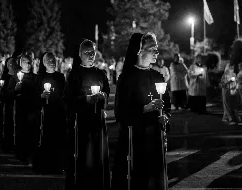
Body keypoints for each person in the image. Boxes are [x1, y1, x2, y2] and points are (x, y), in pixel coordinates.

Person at [111, 32, 170, 190]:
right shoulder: (126, 78)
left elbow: (167, 105)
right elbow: (120, 112)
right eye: (152, 49)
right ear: (139, 50)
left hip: (154, 139)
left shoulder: (158, 76)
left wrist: (165, 117)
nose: (156, 53)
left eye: (157, 49)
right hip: (134, 139)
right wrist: (145, 108)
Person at [63, 39, 111, 189]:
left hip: (98, 122)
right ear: (80, 54)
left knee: (98, 157)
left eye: (93, 52)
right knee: (84, 157)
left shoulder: (100, 73)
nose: (90, 55)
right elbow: (68, 99)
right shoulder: (74, 74)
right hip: (81, 122)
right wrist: (86, 99)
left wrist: (103, 97)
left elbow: (107, 92)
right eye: (87, 52)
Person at [32, 52, 68, 174]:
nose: (51, 62)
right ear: (43, 63)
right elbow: (34, 97)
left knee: (59, 140)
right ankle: (44, 166)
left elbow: (65, 94)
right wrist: (41, 96)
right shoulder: (40, 77)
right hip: (45, 113)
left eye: (53, 60)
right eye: (48, 60)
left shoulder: (60, 77)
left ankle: (58, 165)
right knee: (45, 139)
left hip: (58, 113)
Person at [9, 54, 40, 165]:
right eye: (25, 62)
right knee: (22, 132)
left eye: (29, 62)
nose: (28, 64)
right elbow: (9, 94)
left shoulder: (35, 77)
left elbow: (38, 93)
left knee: (33, 133)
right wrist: (16, 90)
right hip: (22, 109)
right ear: (20, 63)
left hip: (33, 109)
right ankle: (22, 155)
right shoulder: (15, 78)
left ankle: (31, 155)